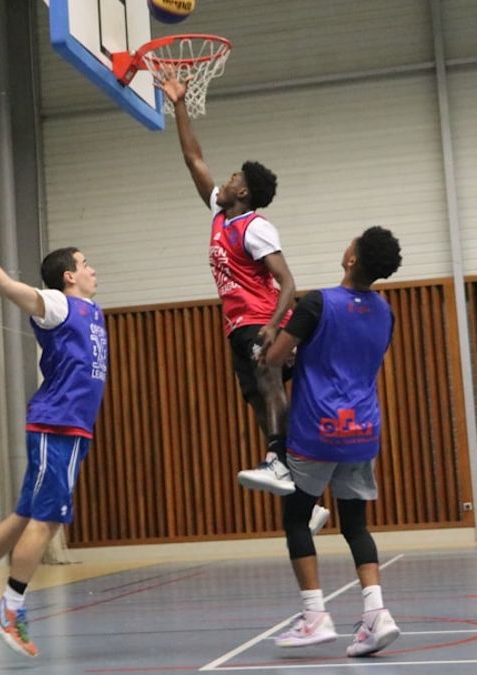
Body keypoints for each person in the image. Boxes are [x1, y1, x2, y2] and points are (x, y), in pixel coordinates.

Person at [161, 71, 329, 533]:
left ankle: (278, 461)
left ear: (245, 192)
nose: (227, 178)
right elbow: (193, 157)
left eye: (234, 176)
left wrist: (275, 328)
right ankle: (305, 497)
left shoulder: (255, 227)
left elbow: (289, 283)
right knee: (256, 396)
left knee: (268, 377)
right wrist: (178, 104)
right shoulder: (221, 216)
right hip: (237, 324)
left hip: (263, 319)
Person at [0, 215, 108, 658]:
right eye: (86, 263)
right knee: (46, 520)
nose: (93, 269)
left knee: (27, 512)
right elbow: (8, 287)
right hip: (57, 424)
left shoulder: (95, 312)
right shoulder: (56, 304)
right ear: (70, 275)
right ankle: (10, 607)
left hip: (73, 427)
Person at [262, 227, 402, 658]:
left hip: (316, 429)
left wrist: (269, 349)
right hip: (362, 431)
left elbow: (273, 358)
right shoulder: (384, 311)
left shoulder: (319, 303)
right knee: (355, 524)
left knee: (297, 519)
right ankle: (377, 613)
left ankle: (314, 615)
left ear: (352, 259)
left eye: (353, 242)